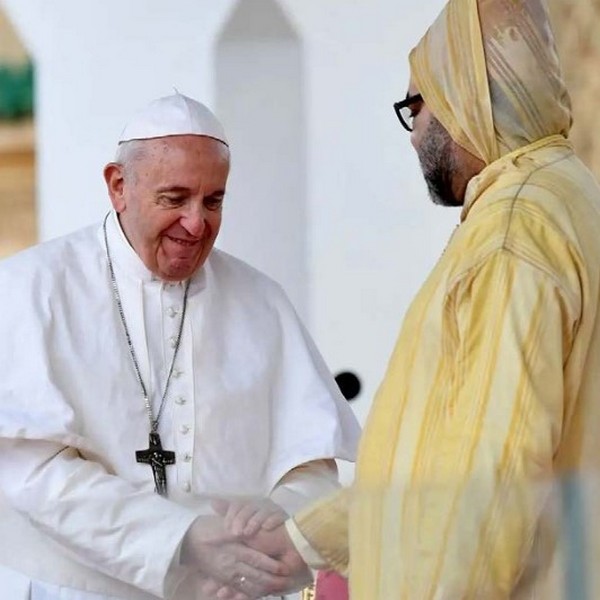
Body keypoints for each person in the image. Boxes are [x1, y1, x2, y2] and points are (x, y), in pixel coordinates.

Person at [231, 0, 600, 598]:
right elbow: (431, 469)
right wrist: (300, 542)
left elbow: (492, 479)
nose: (414, 136)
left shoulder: (513, 235)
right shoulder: (565, 196)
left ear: (462, 100)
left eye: (415, 107)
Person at [0, 92, 360, 600]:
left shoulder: (262, 302)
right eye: (174, 199)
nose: (197, 223)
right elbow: (28, 471)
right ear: (118, 186)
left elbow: (312, 466)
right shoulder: (28, 290)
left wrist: (277, 526)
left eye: (214, 201)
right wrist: (180, 540)